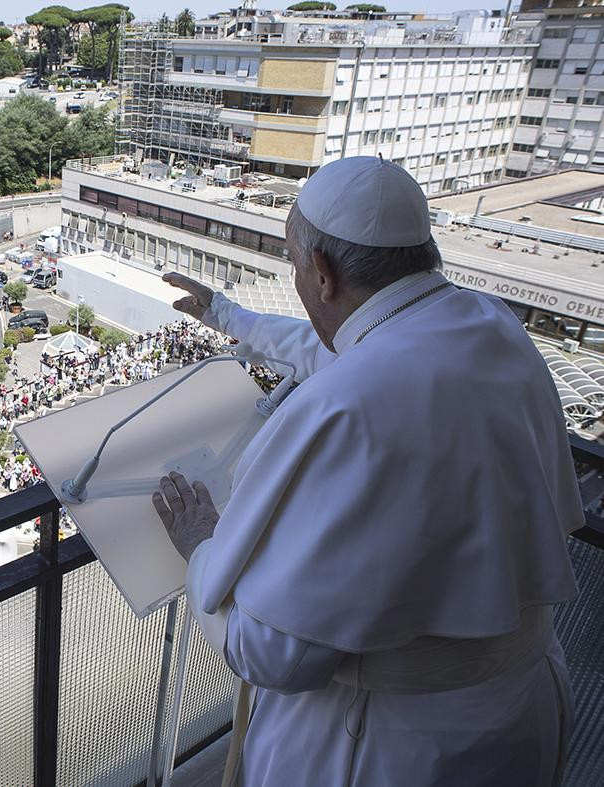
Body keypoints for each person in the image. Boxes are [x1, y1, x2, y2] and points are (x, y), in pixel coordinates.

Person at [155, 156, 579, 787]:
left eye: (297, 266)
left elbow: (269, 652)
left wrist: (201, 549)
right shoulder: (490, 327)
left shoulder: (347, 410)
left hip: (394, 747)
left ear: (322, 273)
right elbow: (343, 344)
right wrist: (228, 315)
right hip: (522, 706)